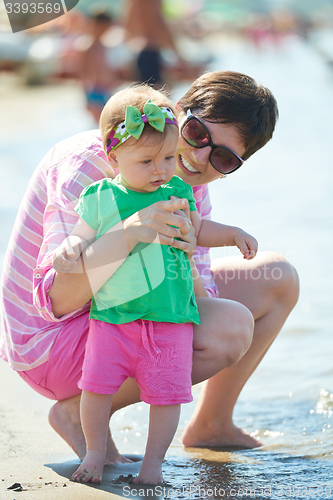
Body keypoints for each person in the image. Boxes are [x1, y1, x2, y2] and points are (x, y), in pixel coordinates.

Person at [0, 71, 299, 465]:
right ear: (177, 112)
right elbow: (55, 300)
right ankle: (80, 412)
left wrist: (189, 254)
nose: (199, 157)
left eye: (223, 157)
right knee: (228, 328)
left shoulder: (183, 183)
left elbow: (198, 292)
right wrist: (130, 233)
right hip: (47, 343)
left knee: (278, 279)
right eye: (195, 133)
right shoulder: (91, 166)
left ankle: (212, 423)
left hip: (116, 308)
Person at [80, 10, 123, 122]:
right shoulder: (89, 48)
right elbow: (83, 74)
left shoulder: (104, 46)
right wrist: (87, 98)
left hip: (107, 90)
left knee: (110, 123)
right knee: (102, 125)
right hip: (95, 92)